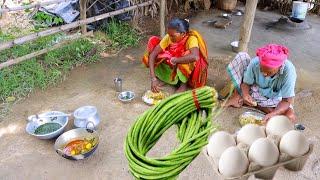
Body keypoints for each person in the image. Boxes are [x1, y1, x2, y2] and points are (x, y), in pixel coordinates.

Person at [223, 44, 297, 123]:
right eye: (262, 70)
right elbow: (246, 84)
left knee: (290, 117)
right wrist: (245, 94)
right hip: (256, 91)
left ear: (279, 67)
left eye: (269, 72)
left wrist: (274, 113)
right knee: (242, 56)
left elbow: (286, 101)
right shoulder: (255, 62)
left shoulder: (288, 71)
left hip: (275, 98)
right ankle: (244, 99)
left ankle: (258, 106)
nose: (264, 74)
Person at [142, 18, 208, 93]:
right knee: (157, 50)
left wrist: (175, 60)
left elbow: (195, 57)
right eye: (169, 35)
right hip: (172, 60)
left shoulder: (191, 39)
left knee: (187, 55)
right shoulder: (169, 37)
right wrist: (153, 78)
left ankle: (183, 84)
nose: (170, 38)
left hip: (180, 61)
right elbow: (153, 54)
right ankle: (167, 79)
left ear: (183, 34)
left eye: (173, 36)